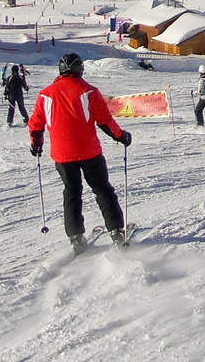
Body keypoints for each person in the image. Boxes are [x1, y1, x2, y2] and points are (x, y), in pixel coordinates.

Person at [28, 52, 132, 255]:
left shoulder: (45, 94)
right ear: (79, 70)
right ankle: (116, 232)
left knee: (71, 192)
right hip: (89, 152)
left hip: (62, 155)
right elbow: (105, 121)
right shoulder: (89, 91)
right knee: (102, 189)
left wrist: (36, 145)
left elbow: (36, 124)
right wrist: (122, 137)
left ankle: (76, 237)